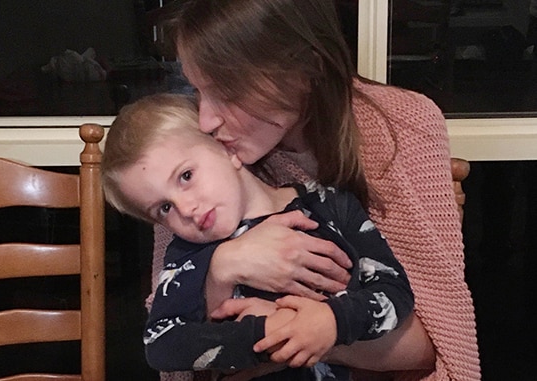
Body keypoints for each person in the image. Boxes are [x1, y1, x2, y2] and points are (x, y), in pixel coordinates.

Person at [148, 1, 481, 380]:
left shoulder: (402, 127)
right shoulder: (193, 152)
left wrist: (288, 332)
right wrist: (221, 268)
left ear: (305, 69)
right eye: (197, 90)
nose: (206, 120)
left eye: (226, 90)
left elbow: (439, 349)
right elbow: (169, 347)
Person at [102, 93, 414, 380]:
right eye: (164, 208)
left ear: (226, 148)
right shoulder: (187, 256)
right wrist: (267, 333)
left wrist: (332, 323)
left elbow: (395, 292)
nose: (186, 208)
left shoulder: (332, 206)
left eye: (186, 176)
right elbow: (161, 345)